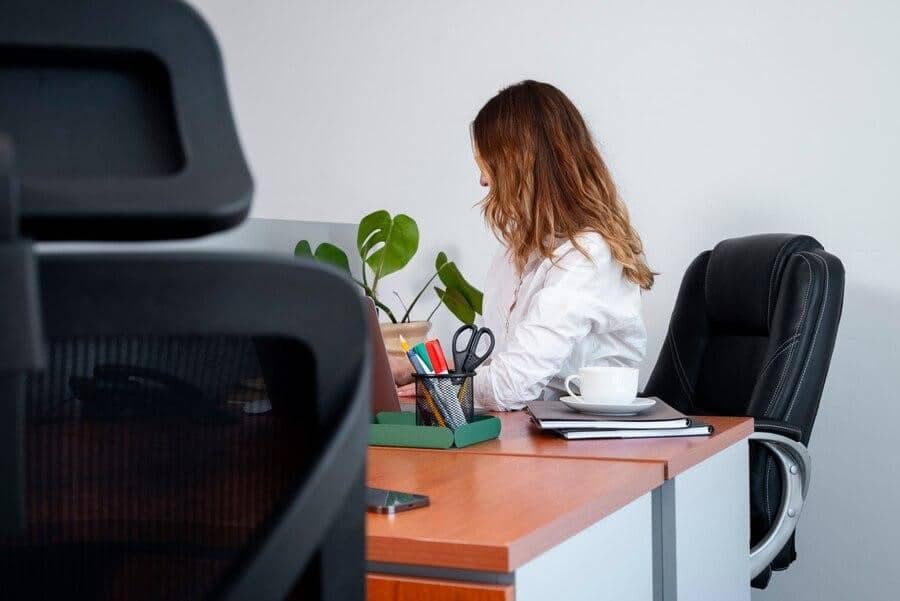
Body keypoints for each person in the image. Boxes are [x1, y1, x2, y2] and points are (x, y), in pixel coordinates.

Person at [396, 80, 654, 410]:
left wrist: (430, 385)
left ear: (519, 164)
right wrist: (412, 369)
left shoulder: (589, 255)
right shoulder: (512, 255)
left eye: (488, 164)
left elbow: (511, 386)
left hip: (588, 446)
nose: (483, 181)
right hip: (528, 437)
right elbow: (496, 370)